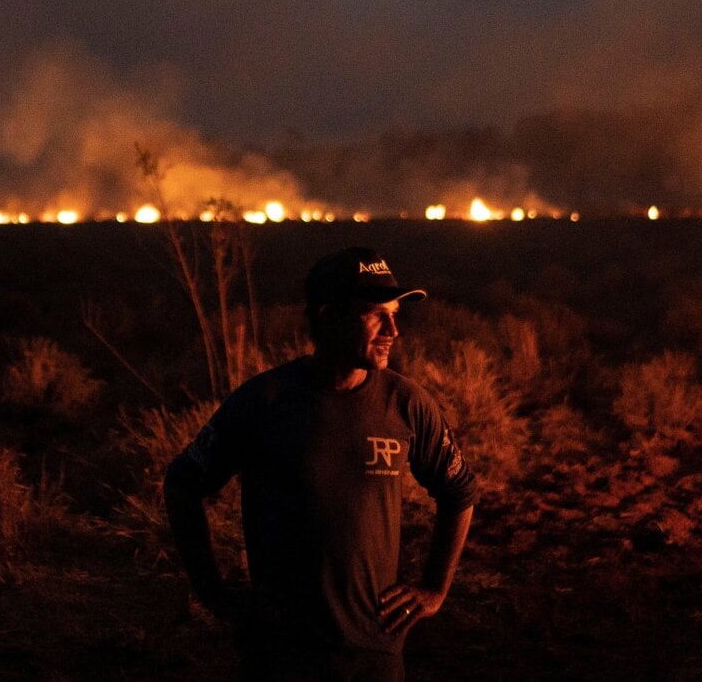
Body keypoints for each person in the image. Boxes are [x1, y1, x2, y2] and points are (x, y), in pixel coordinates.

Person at [165, 247, 479, 681]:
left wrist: (434, 589)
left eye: (394, 314)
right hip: (281, 652)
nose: (393, 330)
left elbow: (459, 490)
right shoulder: (264, 401)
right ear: (329, 315)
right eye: (376, 315)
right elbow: (183, 482)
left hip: (375, 651)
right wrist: (212, 591)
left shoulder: (405, 403)